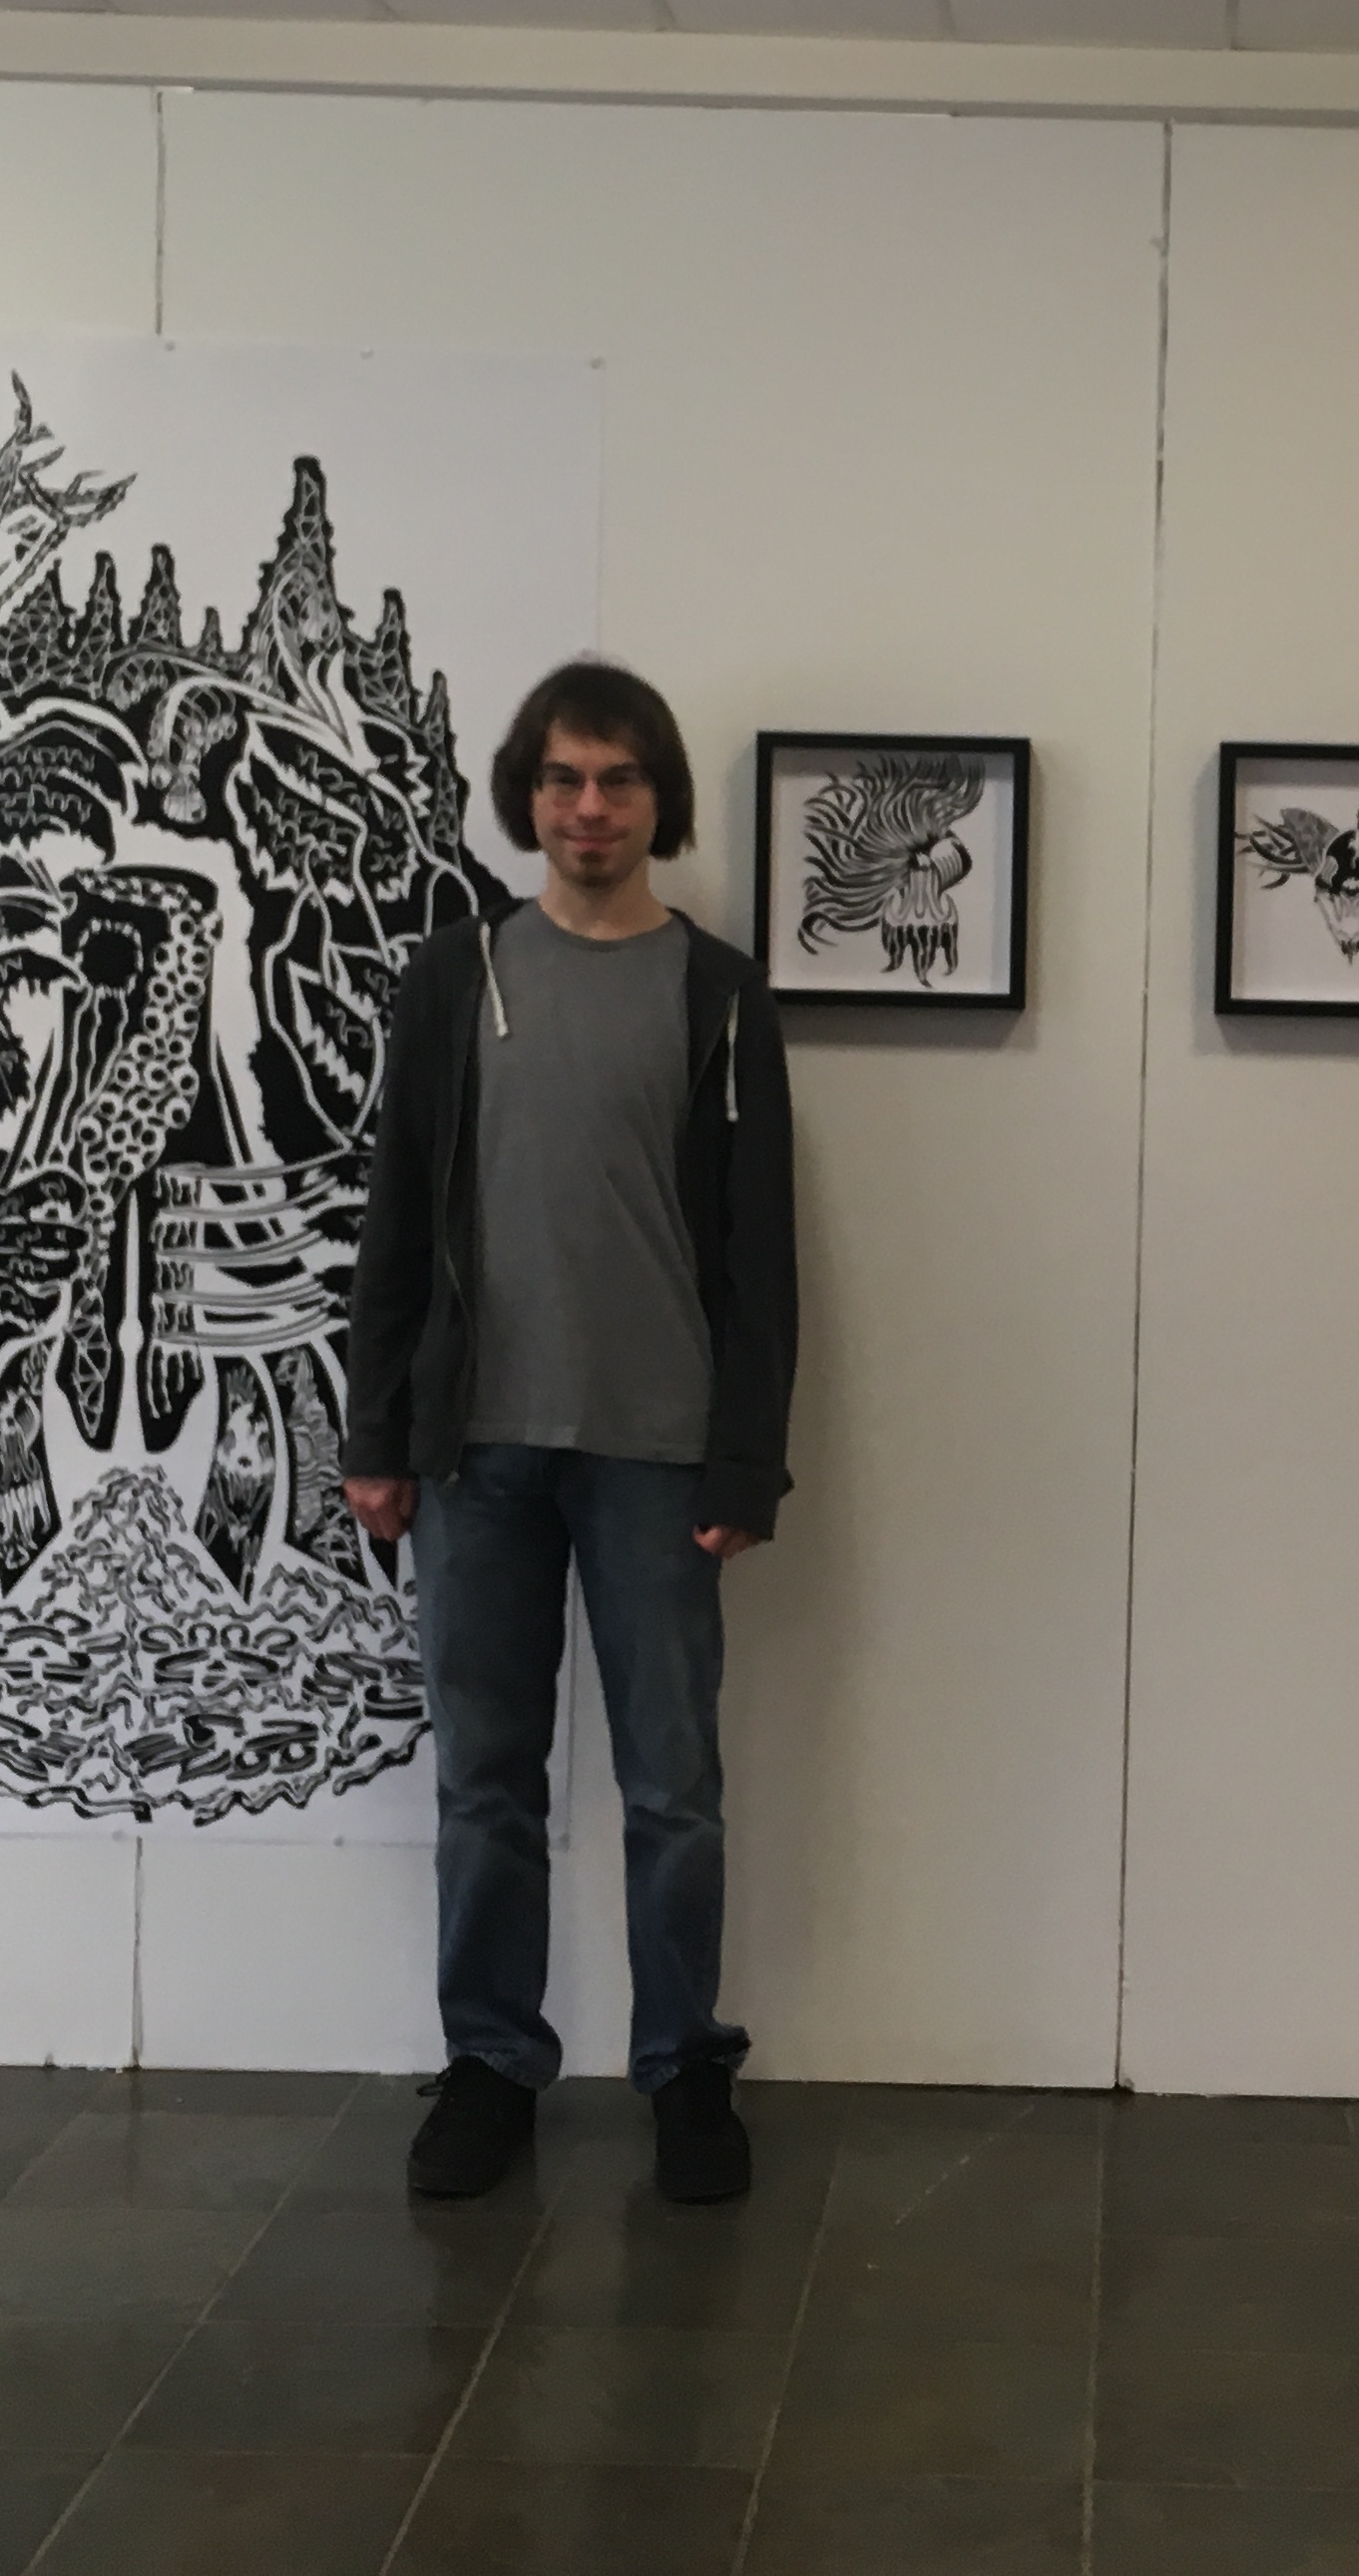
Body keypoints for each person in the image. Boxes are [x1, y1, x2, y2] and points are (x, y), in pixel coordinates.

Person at [342, 659, 796, 2207]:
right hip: (477, 1454)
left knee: (674, 1788)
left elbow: (759, 1260)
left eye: (614, 780)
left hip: (657, 1459)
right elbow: (395, 1225)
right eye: (560, 781)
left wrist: (748, 1461)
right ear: (524, 798)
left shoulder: (719, 995)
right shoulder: (455, 977)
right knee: (488, 1780)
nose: (587, 808)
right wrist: (375, 1432)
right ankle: (488, 2069)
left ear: (658, 797)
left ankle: (684, 2075)